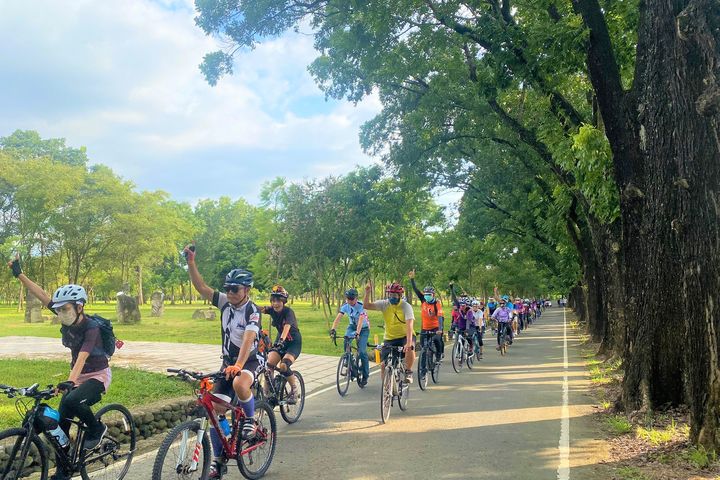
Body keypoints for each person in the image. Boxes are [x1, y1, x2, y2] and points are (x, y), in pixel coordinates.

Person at [8, 256, 109, 480]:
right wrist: (19, 274)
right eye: (59, 310)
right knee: (58, 429)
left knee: (73, 400)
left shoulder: (91, 327)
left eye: (65, 309)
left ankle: (96, 429)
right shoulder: (67, 316)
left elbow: (82, 357)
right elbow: (42, 295)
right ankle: (65, 470)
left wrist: (71, 382)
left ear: (79, 307)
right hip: (76, 376)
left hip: (97, 376)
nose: (60, 313)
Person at [183, 244, 263, 479]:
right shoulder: (225, 304)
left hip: (248, 361)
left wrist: (238, 365)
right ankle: (218, 461)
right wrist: (191, 263)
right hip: (228, 363)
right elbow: (201, 287)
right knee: (216, 411)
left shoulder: (252, 310)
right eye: (227, 288)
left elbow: (249, 338)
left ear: (246, 289)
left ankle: (250, 421)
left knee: (240, 384)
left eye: (234, 289)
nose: (229, 293)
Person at [363, 281, 415, 383]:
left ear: (400, 295)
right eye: (390, 294)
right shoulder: (384, 304)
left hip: (405, 336)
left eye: (394, 295)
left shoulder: (406, 306)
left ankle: (408, 371)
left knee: (410, 349)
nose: (392, 297)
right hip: (390, 338)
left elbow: (409, 324)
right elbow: (366, 305)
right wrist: (367, 292)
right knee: (383, 365)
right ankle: (386, 388)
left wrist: (408, 343)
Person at [259, 285, 302, 403]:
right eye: (273, 301)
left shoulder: (289, 312)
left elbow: (286, 327)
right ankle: (267, 393)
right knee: (269, 365)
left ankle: (294, 390)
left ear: (283, 302)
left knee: (284, 366)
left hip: (293, 342)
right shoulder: (272, 310)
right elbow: (259, 309)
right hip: (280, 341)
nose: (275, 303)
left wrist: (281, 341)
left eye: (278, 301)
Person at [330, 288, 370, 386]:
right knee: (346, 339)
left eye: (351, 299)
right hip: (352, 326)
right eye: (348, 299)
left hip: (363, 328)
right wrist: (333, 329)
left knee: (362, 352)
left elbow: (361, 320)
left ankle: (365, 375)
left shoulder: (361, 306)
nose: (349, 301)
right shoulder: (345, 306)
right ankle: (348, 360)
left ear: (356, 298)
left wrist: (357, 333)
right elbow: (338, 318)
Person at [408, 270, 444, 363]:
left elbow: (440, 316)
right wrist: (412, 279)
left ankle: (438, 355)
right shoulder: (423, 300)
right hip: (425, 328)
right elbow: (416, 290)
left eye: (429, 295)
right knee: (423, 349)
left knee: (437, 340)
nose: (427, 296)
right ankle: (423, 371)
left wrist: (440, 329)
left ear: (433, 295)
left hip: (435, 328)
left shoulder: (437, 304)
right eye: (426, 294)